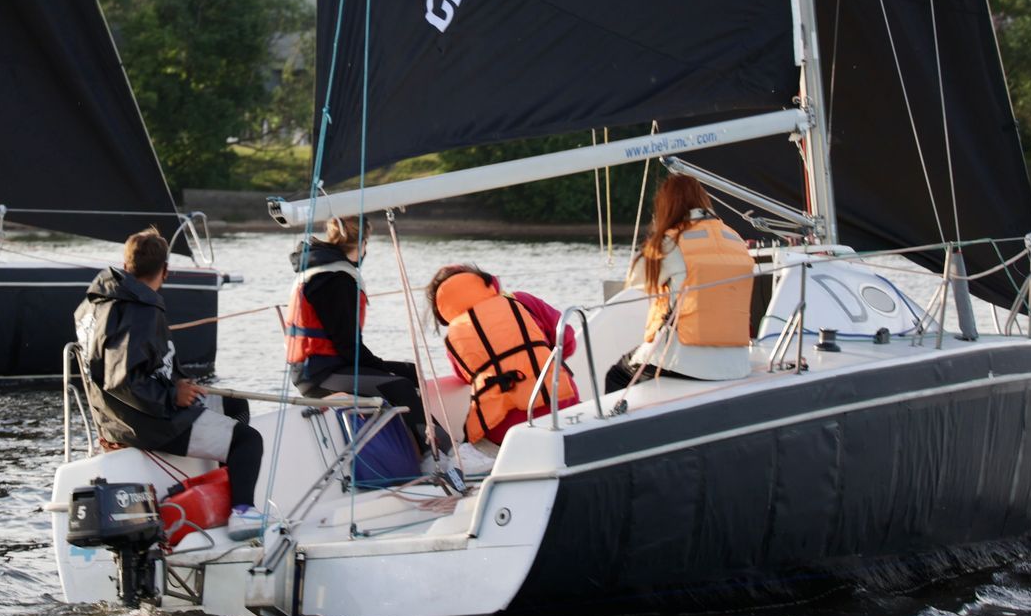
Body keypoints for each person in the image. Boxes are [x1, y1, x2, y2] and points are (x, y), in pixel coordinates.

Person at [75, 227, 265, 537]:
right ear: (165, 270)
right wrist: (172, 395)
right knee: (249, 440)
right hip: (146, 420)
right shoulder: (139, 311)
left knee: (233, 403)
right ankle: (242, 513)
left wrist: (176, 382)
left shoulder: (96, 304)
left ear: (126, 267)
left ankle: (220, 485)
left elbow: (123, 369)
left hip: (115, 417)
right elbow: (122, 380)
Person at [285, 215, 442, 453]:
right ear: (363, 241)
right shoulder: (335, 279)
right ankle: (440, 455)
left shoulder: (325, 270)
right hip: (320, 375)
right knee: (400, 385)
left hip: (326, 366)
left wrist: (380, 367)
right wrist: (380, 367)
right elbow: (347, 344)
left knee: (410, 372)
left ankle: (428, 448)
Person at [605, 173, 757, 391]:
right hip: (736, 362)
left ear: (666, 206)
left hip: (682, 360)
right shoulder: (735, 239)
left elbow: (635, 281)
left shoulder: (670, 242)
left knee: (616, 376)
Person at [426, 265, 580, 452]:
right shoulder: (521, 301)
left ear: (442, 307)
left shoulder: (453, 337)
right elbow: (568, 341)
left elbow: (466, 378)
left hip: (502, 428)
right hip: (557, 404)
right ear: (483, 281)